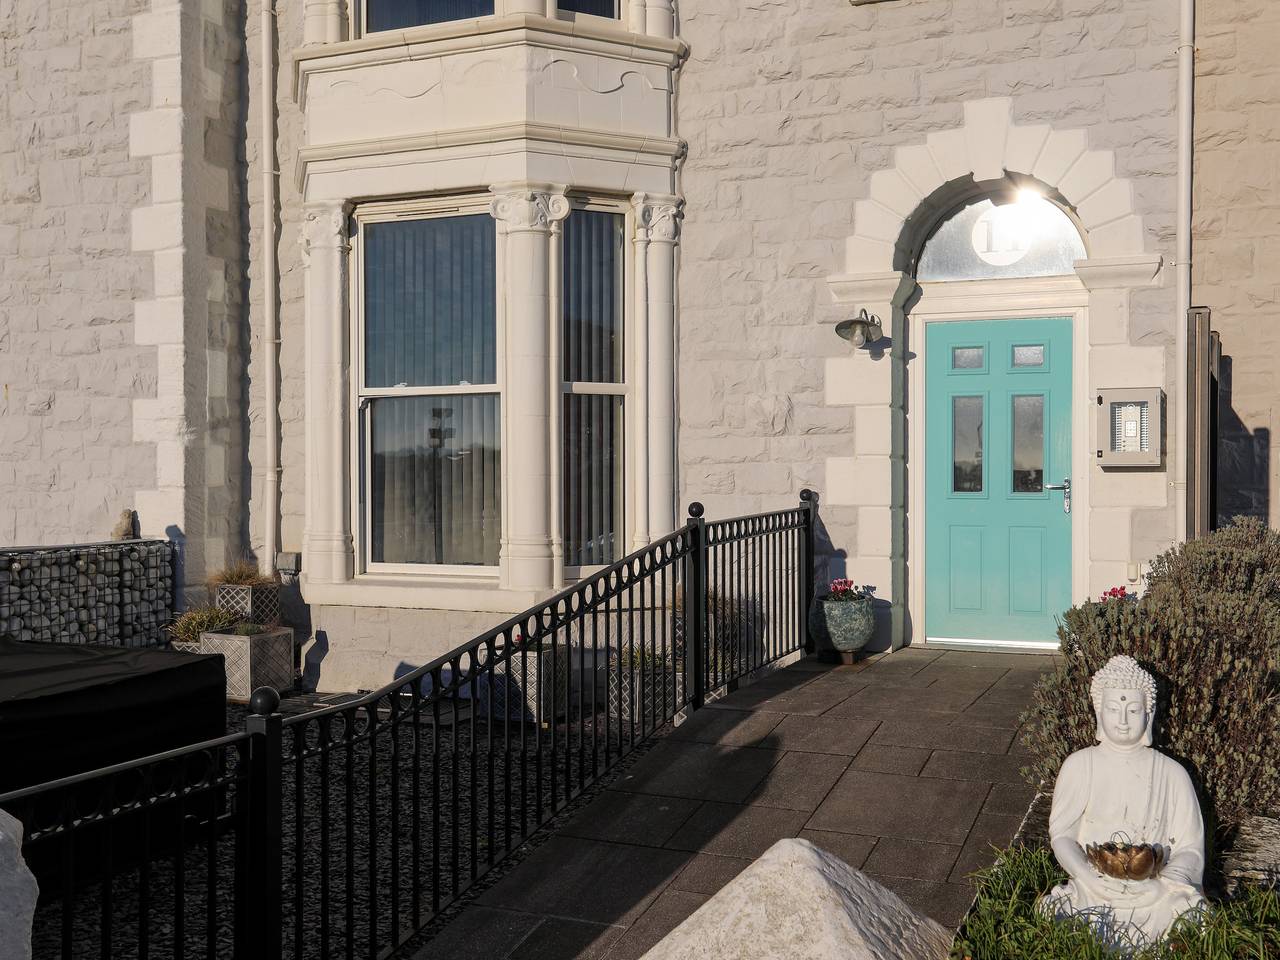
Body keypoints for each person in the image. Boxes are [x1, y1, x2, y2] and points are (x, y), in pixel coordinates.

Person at [1040, 654, 1206, 948]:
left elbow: (1191, 848)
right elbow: (1062, 835)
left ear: (1149, 714)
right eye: (1114, 709)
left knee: (1187, 909)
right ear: (1098, 712)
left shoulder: (1172, 773)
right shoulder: (1080, 765)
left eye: (1133, 710)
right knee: (1061, 909)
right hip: (1095, 887)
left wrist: (1163, 884)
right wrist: (1088, 877)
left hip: (1156, 891)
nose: (1123, 720)